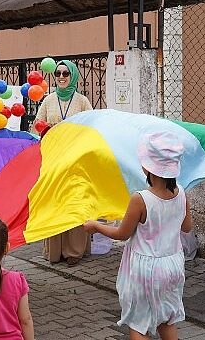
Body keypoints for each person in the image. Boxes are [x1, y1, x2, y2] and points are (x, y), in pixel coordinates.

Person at [84, 132, 192, 340]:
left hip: (146, 269)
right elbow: (186, 227)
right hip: (173, 265)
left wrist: (96, 226)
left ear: (148, 167)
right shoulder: (182, 193)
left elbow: (122, 234)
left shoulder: (140, 199)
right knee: (167, 319)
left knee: (139, 323)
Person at [34, 60, 93, 266]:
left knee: (74, 201)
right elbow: (37, 125)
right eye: (58, 73)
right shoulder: (49, 100)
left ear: (73, 75)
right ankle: (55, 251)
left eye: (65, 73)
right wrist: (47, 127)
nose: (60, 76)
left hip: (76, 159)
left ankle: (74, 251)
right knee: (55, 201)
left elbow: (91, 127)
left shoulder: (82, 101)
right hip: (53, 158)